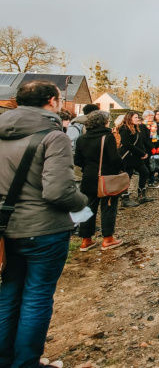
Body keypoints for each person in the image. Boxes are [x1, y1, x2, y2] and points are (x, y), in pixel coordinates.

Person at [0, 79, 88, 367]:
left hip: (5, 228)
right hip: (43, 230)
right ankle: (26, 362)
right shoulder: (53, 136)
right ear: (52, 101)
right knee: (37, 296)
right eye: (60, 99)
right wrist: (82, 202)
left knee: (9, 293)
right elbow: (57, 191)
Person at [74, 110, 123, 251]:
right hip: (105, 177)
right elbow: (114, 158)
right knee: (108, 207)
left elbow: (77, 160)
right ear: (104, 122)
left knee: (88, 208)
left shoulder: (81, 138)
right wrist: (121, 167)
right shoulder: (107, 137)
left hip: (88, 178)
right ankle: (108, 239)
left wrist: (89, 168)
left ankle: (86, 240)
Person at [118, 111, 154, 205]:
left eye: (138, 117)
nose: (137, 119)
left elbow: (140, 142)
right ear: (129, 118)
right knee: (127, 177)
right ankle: (124, 198)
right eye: (135, 118)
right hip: (128, 157)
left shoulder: (136, 128)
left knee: (145, 172)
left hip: (136, 156)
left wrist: (144, 152)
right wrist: (141, 153)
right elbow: (128, 145)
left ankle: (141, 195)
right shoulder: (124, 129)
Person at [141, 110, 159, 188]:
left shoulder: (155, 124)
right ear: (145, 117)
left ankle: (152, 181)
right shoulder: (142, 125)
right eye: (149, 116)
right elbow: (144, 138)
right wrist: (152, 147)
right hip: (147, 148)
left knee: (154, 164)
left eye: (152, 115)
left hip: (157, 148)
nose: (151, 117)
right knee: (148, 165)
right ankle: (148, 181)